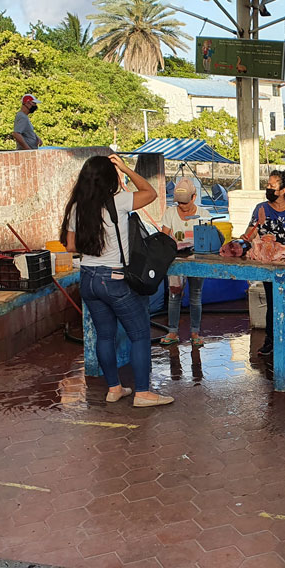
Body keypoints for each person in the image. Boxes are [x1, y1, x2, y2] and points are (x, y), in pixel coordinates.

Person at [59, 154, 173, 408]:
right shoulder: (118, 201)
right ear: (109, 178)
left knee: (105, 336)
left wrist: (96, 244)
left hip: (87, 278)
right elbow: (150, 192)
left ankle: (114, 388)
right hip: (114, 279)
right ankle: (142, 393)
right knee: (140, 334)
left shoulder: (77, 206)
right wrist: (126, 168)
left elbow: (70, 245)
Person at [239, 169, 285, 356]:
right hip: (269, 262)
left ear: (283, 189)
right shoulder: (261, 208)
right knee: (273, 301)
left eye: (272, 185)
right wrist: (245, 238)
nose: (268, 188)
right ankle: (271, 340)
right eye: (268, 185)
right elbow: (251, 233)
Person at [160, 177, 212, 347]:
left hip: (197, 262)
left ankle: (195, 332)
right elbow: (163, 237)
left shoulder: (204, 215)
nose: (182, 206)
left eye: (185, 202)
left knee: (196, 296)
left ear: (194, 197)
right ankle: (173, 331)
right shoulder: (170, 213)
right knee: (174, 295)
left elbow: (210, 240)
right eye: (179, 203)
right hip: (175, 262)